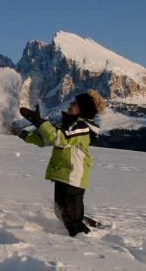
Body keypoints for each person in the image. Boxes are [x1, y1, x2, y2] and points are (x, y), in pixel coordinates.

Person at [17, 90, 104, 237]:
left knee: (72, 223)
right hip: (63, 175)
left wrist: (38, 121)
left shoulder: (82, 127)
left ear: (83, 109)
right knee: (61, 213)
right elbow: (47, 139)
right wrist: (25, 135)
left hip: (73, 177)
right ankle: (82, 220)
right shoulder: (70, 125)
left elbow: (60, 138)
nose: (70, 104)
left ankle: (90, 240)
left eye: (74, 103)